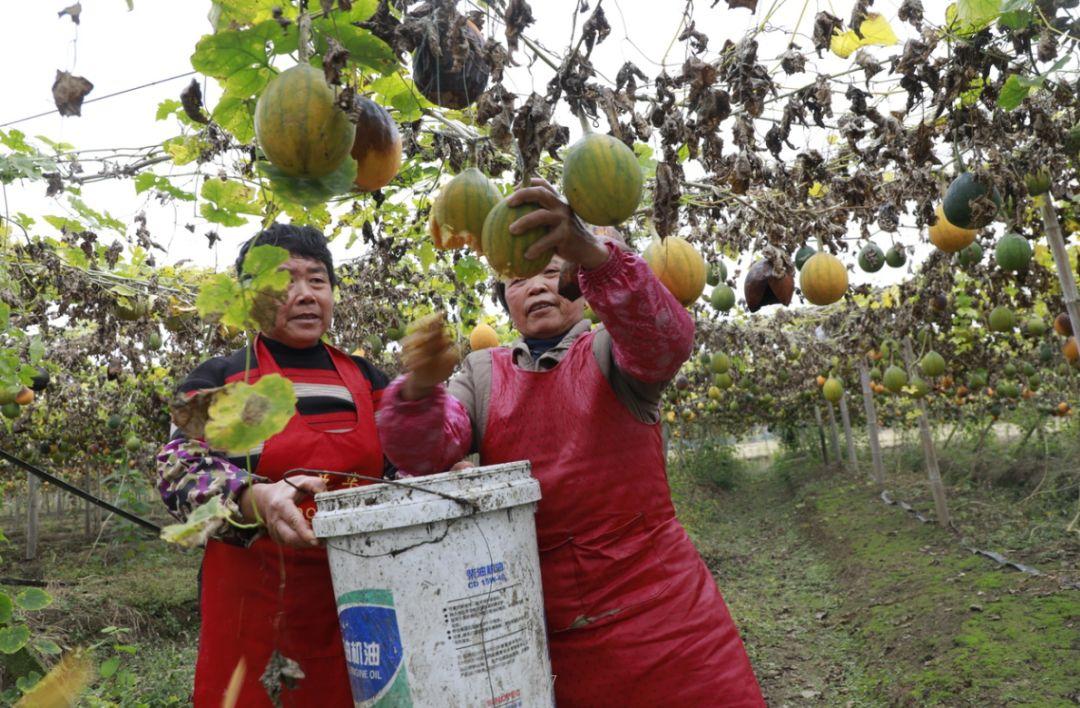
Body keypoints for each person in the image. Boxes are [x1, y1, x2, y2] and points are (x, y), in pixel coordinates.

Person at [376, 179, 766, 706]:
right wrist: (419, 388)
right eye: (517, 279)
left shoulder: (615, 350)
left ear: (581, 286)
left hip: (666, 625)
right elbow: (427, 453)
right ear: (505, 298)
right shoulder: (481, 374)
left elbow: (665, 340)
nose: (534, 286)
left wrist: (593, 254)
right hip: (544, 635)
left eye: (548, 272)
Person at [156, 223, 389, 706]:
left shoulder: (367, 378)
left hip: (359, 607)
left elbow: (403, 467)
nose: (304, 294)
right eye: (284, 281)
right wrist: (252, 497)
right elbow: (178, 467)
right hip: (255, 611)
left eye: (317, 280)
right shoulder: (224, 377)